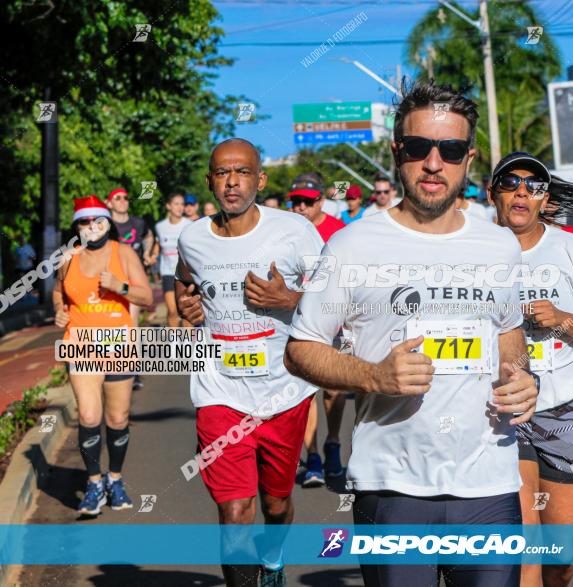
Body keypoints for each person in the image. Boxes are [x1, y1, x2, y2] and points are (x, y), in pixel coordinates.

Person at [285, 81, 540, 587]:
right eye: (420, 147)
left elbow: (508, 330)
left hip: (488, 484)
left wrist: (521, 378)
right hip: (393, 486)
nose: (433, 163)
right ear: (398, 151)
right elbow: (300, 350)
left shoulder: (498, 246)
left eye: (448, 150)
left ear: (468, 158)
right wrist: (373, 375)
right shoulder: (352, 246)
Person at [175, 138, 323, 587]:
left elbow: (337, 300)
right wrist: (186, 303)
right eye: (222, 173)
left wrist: (290, 298)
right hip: (219, 390)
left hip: (284, 391)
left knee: (275, 504)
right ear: (210, 181)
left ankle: (274, 559)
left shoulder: (294, 232)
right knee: (235, 510)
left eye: (242, 173)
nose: (232, 182)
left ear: (260, 179)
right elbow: (185, 279)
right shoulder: (192, 237)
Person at [490, 152, 573, 587]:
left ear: (545, 198)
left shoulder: (571, 249)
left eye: (533, 185)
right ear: (494, 193)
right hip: (501, 410)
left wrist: (562, 318)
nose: (521, 192)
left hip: (563, 410)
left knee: (561, 556)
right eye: (510, 183)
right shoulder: (474, 250)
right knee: (526, 545)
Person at [53, 195, 152, 515]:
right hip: (80, 343)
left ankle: (115, 479)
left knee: (117, 418)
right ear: (77, 225)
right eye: (84, 222)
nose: (91, 227)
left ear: (107, 223)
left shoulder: (123, 253)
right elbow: (58, 292)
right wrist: (59, 310)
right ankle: (94, 483)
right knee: (89, 417)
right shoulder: (68, 257)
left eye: (98, 221)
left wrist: (119, 286)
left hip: (118, 344)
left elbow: (146, 296)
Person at [287, 181, 347, 487]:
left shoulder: (339, 230)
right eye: (296, 201)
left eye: (307, 202)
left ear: (321, 202)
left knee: (333, 391)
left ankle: (333, 444)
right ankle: (312, 457)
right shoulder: (286, 231)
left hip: (335, 319)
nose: (301, 207)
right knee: (306, 391)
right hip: (299, 321)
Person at [107, 187, 152, 389]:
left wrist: (148, 253)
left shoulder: (138, 223)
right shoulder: (106, 225)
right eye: (118, 198)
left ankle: (131, 370)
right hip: (110, 281)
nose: (123, 201)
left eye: (126, 197)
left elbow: (149, 236)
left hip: (132, 281)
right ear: (109, 203)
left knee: (131, 324)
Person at [148, 193, 191, 327]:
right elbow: (158, 244)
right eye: (176, 204)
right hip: (168, 273)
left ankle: (188, 344)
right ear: (168, 206)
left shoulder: (189, 225)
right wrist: (153, 256)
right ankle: (174, 344)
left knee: (186, 311)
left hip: (185, 273)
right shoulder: (160, 227)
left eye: (182, 204)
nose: (180, 207)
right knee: (172, 310)